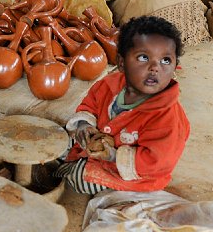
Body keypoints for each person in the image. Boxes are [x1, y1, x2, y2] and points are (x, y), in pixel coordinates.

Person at [55, 16, 190, 195]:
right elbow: (90, 105)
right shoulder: (108, 85)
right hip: (97, 146)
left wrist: (112, 155)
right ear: (121, 63)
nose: (155, 67)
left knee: (80, 179)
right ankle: (64, 164)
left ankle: (64, 172)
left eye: (165, 60)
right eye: (143, 57)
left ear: (175, 68)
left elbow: (157, 162)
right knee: (58, 140)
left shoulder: (168, 119)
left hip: (134, 172)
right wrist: (84, 125)